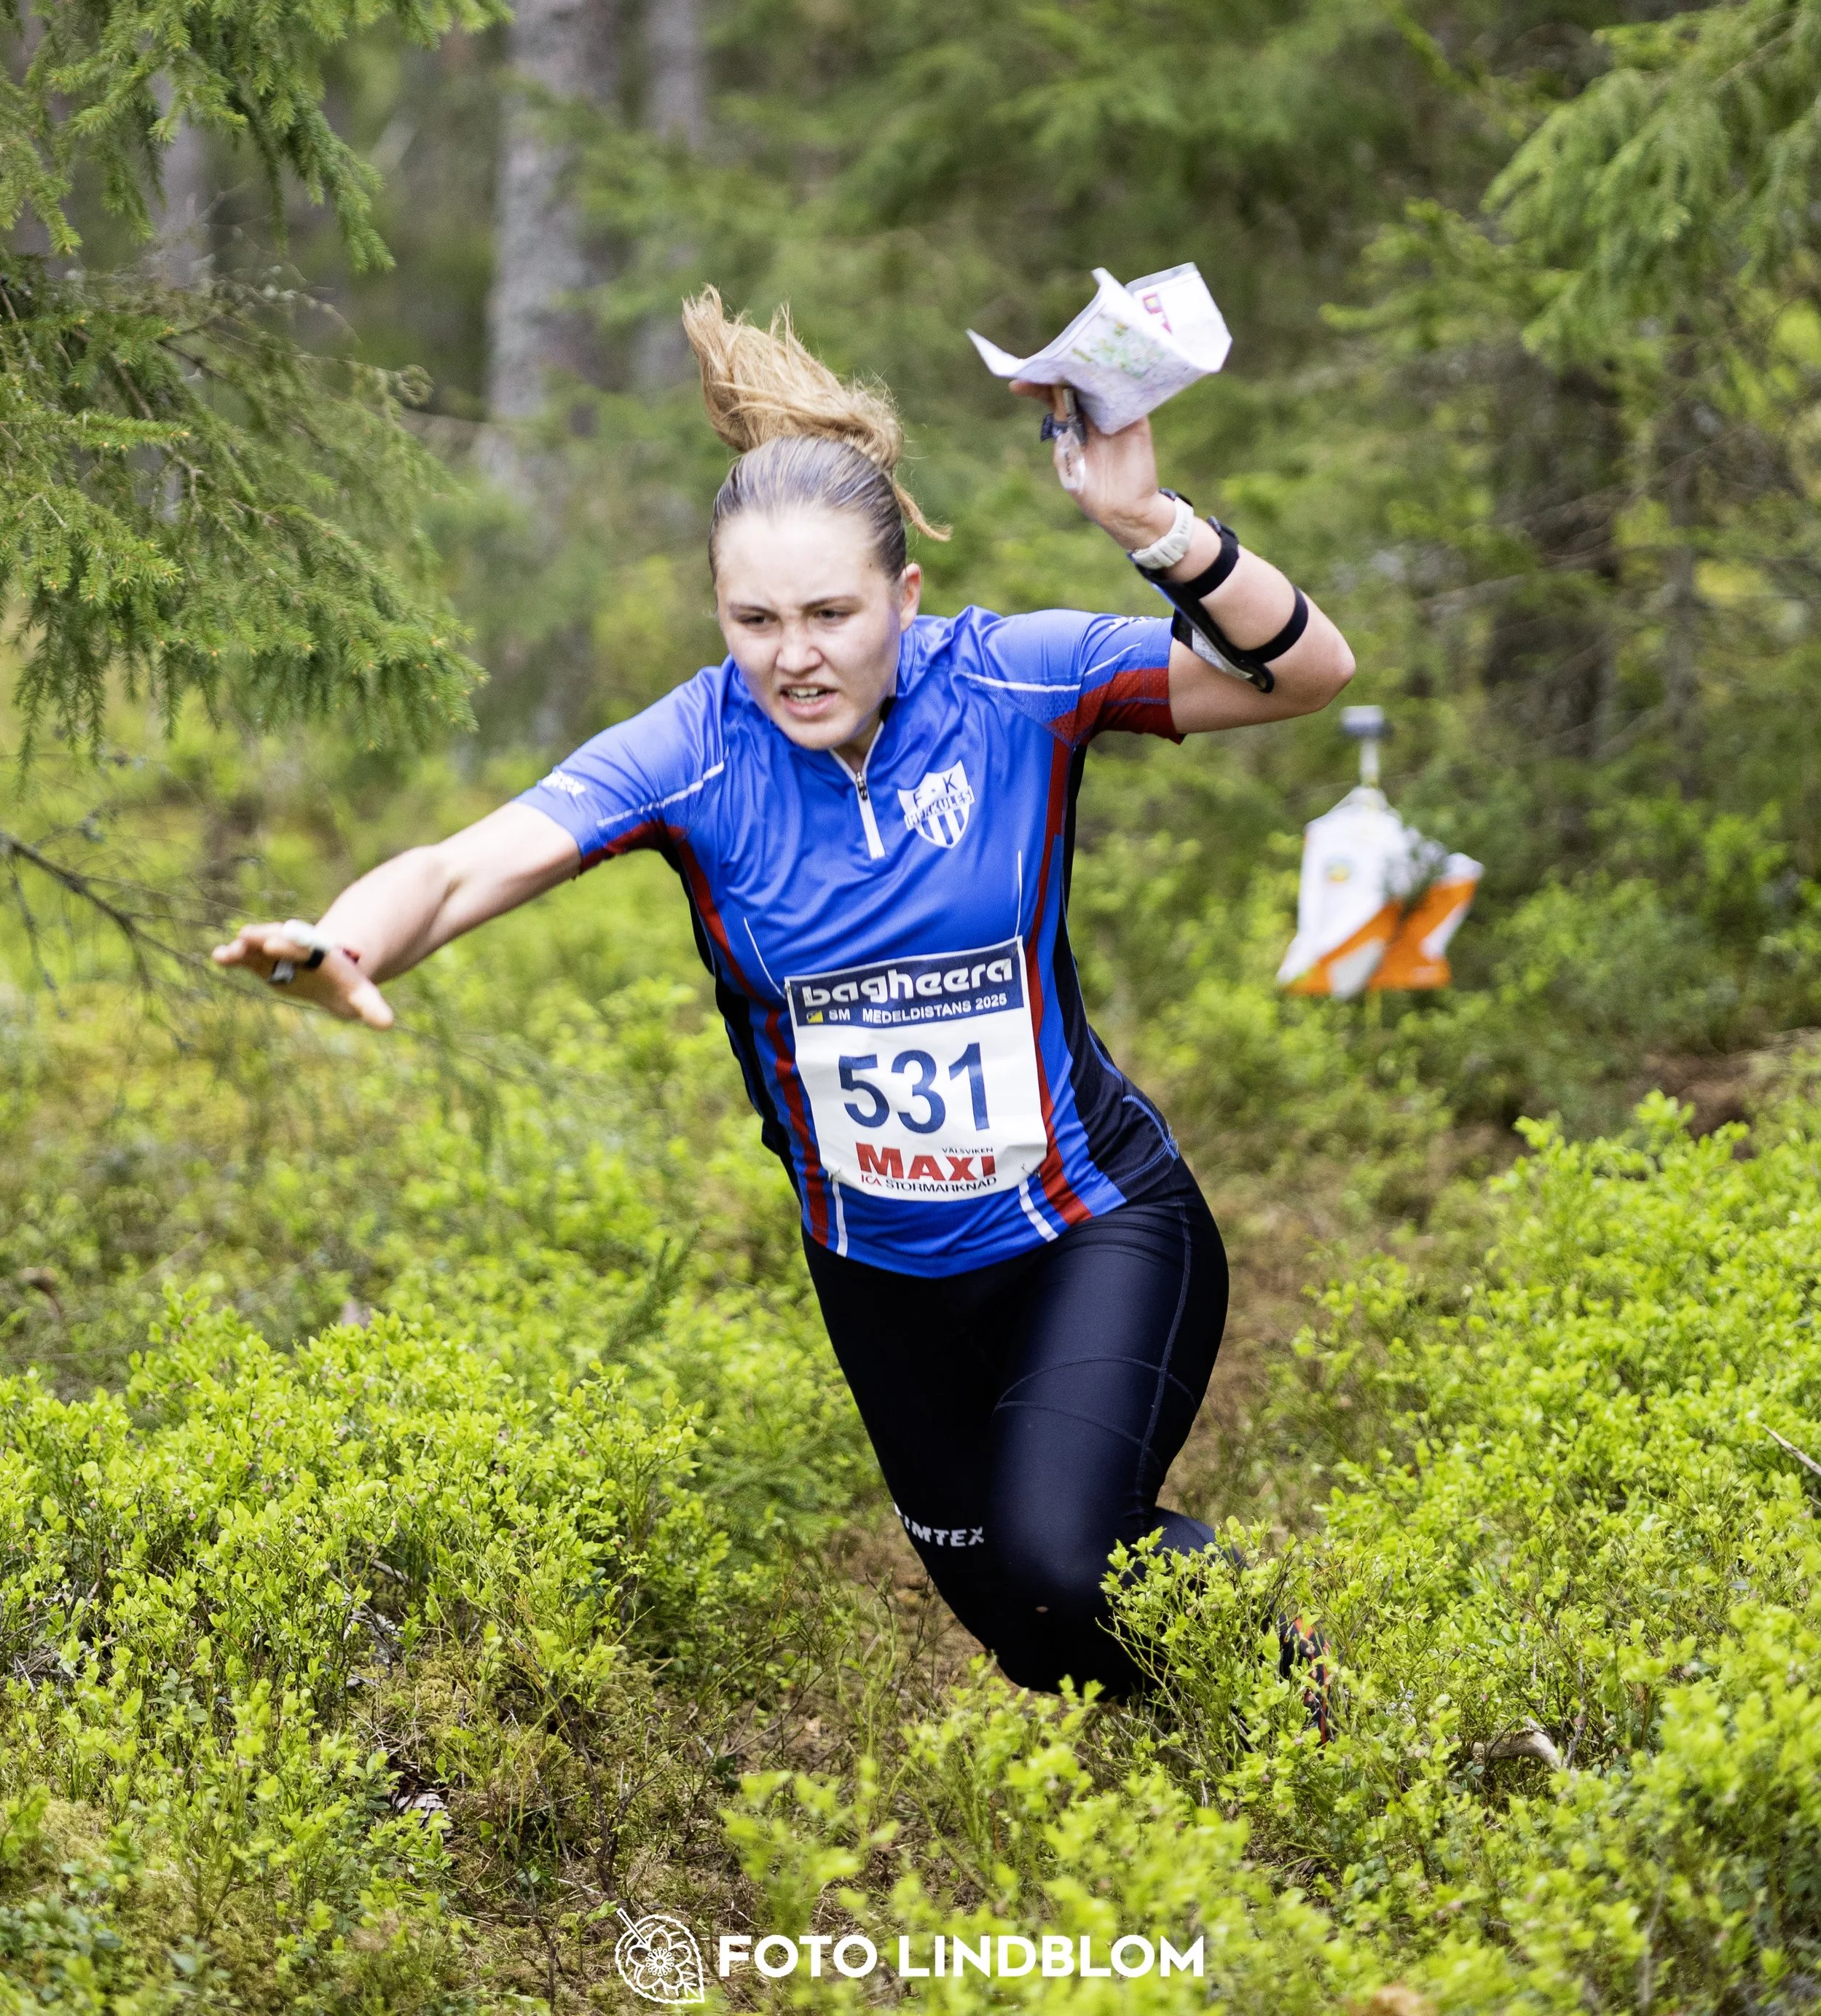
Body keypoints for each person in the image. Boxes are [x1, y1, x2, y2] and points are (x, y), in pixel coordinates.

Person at [215, 291, 1355, 1699]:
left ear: (905, 600)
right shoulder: (694, 750)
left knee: (1069, 1562)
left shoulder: (1016, 681)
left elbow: (1305, 674)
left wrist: (1151, 529)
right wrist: (345, 942)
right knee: (1023, 1626)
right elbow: (458, 869)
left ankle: (1324, 1704)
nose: (793, 653)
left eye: (830, 612)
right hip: (881, 1281)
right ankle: (1235, 1772)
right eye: (755, 618)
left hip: (1095, 1228)